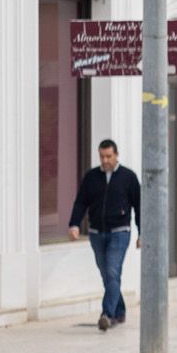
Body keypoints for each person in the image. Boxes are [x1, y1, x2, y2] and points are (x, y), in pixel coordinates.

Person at [66, 139, 140, 332]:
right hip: (97, 233)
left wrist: (143, 232)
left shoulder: (128, 177)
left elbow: (139, 206)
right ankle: (120, 310)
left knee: (113, 271)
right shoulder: (91, 177)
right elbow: (81, 202)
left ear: (116, 155)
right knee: (107, 274)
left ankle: (107, 314)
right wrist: (74, 224)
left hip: (120, 232)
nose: (105, 160)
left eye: (109, 156)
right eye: (102, 156)